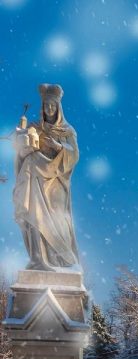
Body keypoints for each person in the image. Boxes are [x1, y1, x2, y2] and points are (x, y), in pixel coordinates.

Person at [12, 83, 80, 271]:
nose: (49, 108)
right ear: (42, 107)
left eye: (53, 105)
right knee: (35, 215)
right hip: (35, 179)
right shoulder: (34, 128)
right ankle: (38, 259)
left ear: (58, 108)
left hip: (56, 183)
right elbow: (21, 152)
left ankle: (61, 261)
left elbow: (74, 155)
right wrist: (23, 146)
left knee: (59, 221)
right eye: (46, 105)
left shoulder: (67, 131)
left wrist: (57, 146)